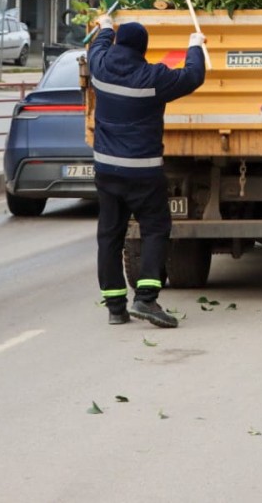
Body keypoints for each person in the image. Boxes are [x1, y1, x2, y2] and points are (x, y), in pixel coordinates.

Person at [88, 16, 207, 328]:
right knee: (155, 229)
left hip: (107, 170)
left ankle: (115, 308)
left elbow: (97, 47)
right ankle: (146, 298)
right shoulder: (153, 78)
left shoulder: (99, 67)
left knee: (110, 236)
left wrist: (105, 26)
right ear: (143, 49)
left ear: (117, 43)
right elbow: (193, 76)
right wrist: (195, 46)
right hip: (143, 173)